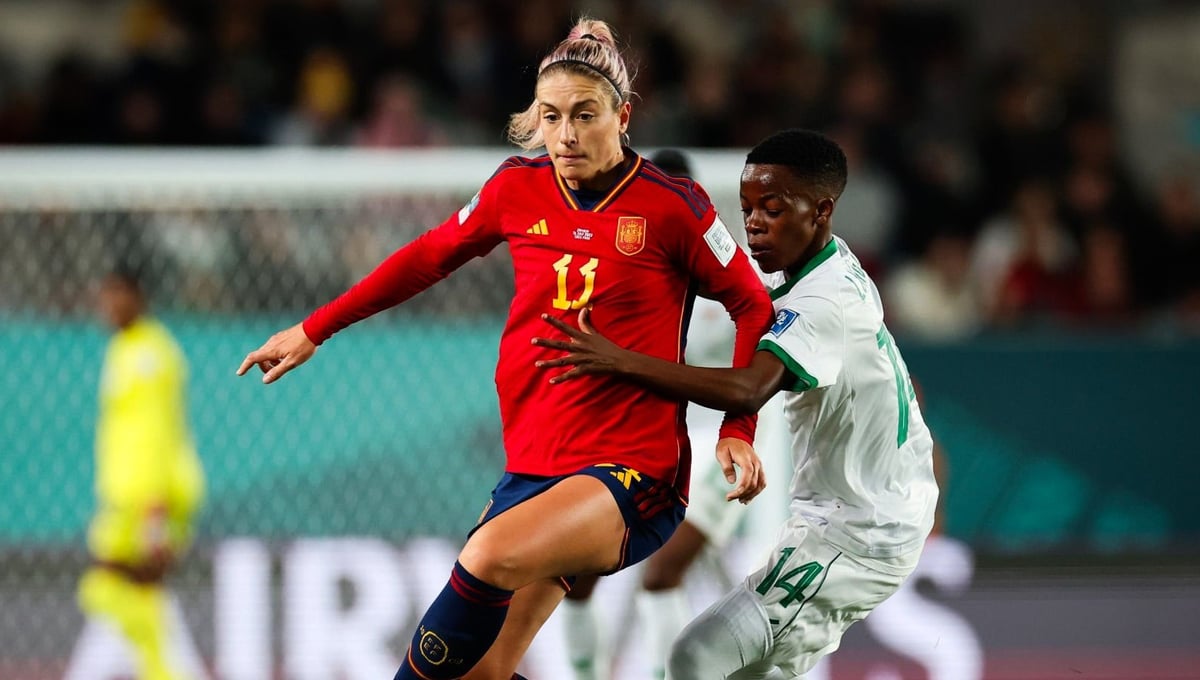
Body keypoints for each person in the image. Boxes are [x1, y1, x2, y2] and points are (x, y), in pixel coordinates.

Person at [236, 18, 775, 680]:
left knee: (485, 556)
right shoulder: (517, 187)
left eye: (585, 114)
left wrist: (738, 429)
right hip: (534, 466)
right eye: (551, 116)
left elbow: (753, 303)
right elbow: (427, 256)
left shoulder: (672, 206)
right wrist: (314, 328)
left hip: (634, 474)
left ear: (623, 116)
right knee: (482, 672)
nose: (566, 134)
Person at [534, 128, 939, 679]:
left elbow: (750, 387)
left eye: (773, 209)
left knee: (694, 649)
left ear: (821, 211)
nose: (754, 223)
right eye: (748, 209)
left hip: (852, 528)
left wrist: (620, 362)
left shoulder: (814, 300)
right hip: (839, 511)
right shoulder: (823, 264)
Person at [560, 149, 790, 680]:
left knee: (662, 573)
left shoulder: (735, 268)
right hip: (650, 441)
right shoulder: (622, 270)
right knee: (578, 573)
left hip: (721, 444)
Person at [71, 267, 207, 680]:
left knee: (106, 587)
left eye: (118, 295)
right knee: (138, 596)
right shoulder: (124, 349)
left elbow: (156, 434)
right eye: (105, 295)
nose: (109, 305)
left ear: (138, 296)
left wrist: (155, 510)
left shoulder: (150, 355)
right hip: (127, 497)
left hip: (148, 498)